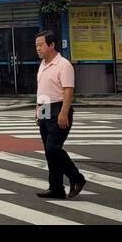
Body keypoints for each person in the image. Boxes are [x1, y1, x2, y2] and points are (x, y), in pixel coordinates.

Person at [34, 31, 85, 199]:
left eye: (41, 45)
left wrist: (64, 113)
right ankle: (56, 187)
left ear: (52, 45)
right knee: (49, 152)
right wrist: (38, 110)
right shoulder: (42, 64)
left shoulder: (64, 65)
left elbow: (68, 90)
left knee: (53, 148)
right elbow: (42, 89)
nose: (38, 48)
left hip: (59, 108)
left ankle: (77, 178)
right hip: (44, 107)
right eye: (37, 46)